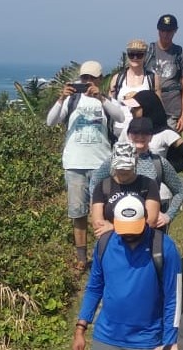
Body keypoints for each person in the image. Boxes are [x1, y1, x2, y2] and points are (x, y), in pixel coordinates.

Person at [73, 193, 182, 350]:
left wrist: (167, 348)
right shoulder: (104, 244)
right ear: (114, 222)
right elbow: (94, 288)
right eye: (124, 229)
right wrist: (81, 328)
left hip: (146, 342)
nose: (129, 235)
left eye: (134, 229)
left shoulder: (164, 247)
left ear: (146, 218)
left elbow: (173, 301)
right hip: (106, 338)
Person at [48, 60, 126, 271]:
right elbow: (50, 121)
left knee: (103, 211)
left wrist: (101, 97)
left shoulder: (106, 100)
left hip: (101, 163)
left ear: (100, 79)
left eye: (92, 78)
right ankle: (82, 259)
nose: (87, 82)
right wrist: (61, 98)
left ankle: (104, 254)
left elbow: (120, 116)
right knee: (77, 212)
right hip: (74, 164)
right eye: (84, 78)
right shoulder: (70, 100)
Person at [90, 118, 183, 234]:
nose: (140, 137)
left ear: (151, 136)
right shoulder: (114, 159)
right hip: (116, 225)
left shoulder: (159, 162)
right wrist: (99, 211)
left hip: (149, 226)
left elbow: (180, 189)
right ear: (128, 135)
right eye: (135, 133)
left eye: (145, 133)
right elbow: (95, 182)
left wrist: (168, 215)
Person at [89, 143, 161, 238]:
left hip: (142, 241)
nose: (123, 171)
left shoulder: (148, 184)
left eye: (127, 167)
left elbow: (151, 221)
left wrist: (113, 227)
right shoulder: (103, 187)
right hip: (112, 243)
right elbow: (97, 223)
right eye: (119, 167)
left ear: (135, 163)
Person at [148, 14, 183, 132]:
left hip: (172, 111)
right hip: (150, 109)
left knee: (172, 148)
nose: (165, 34)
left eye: (169, 31)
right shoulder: (148, 52)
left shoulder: (180, 54)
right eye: (162, 30)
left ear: (175, 31)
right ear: (158, 30)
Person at [110, 40, 158, 104]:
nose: (135, 58)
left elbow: (158, 107)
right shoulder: (117, 79)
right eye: (131, 54)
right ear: (127, 55)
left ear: (145, 56)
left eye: (139, 55)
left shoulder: (153, 79)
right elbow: (111, 105)